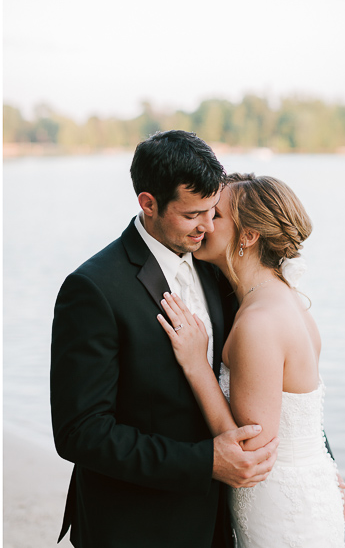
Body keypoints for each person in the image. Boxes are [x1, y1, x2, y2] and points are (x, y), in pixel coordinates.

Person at [50, 130, 278, 548]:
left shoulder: (216, 264)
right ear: (148, 204)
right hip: (137, 526)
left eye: (212, 211)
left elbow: (276, 380)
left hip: (220, 523)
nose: (207, 227)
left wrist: (318, 461)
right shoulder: (93, 289)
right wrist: (205, 462)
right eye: (193, 214)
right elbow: (80, 432)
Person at [156, 173, 345, 548]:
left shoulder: (260, 323)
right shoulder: (288, 300)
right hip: (308, 487)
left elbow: (250, 453)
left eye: (217, 215)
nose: (205, 224)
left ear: (248, 236)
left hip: (280, 512)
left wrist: (197, 366)